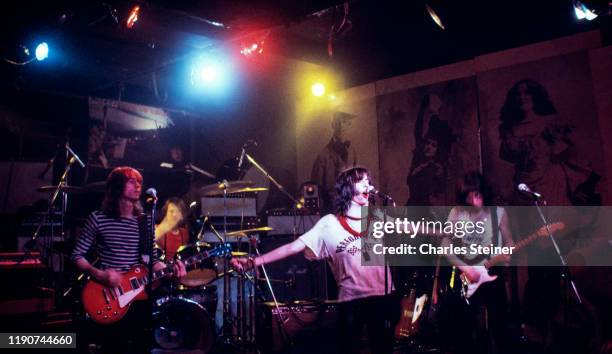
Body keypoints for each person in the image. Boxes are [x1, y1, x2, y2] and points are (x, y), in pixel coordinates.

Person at [232, 166, 396, 354]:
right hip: (352, 300)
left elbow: (412, 227)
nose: (368, 184)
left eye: (369, 180)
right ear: (348, 188)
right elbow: (292, 247)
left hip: (383, 298)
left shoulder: (377, 217)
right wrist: (255, 261)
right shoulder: (329, 223)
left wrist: (438, 233)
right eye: (361, 180)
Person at [71, 166, 186, 354]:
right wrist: (99, 274)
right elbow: (77, 256)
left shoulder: (144, 221)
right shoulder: (98, 218)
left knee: (140, 346)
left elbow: (152, 260)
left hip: (139, 295)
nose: (138, 185)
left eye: (139, 182)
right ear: (117, 187)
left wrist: (169, 270)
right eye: (131, 181)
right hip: (108, 294)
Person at [439, 172, 514, 354]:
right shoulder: (457, 212)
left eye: (477, 195)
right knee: (464, 327)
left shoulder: (498, 213)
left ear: (484, 193)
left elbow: (509, 242)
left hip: (493, 270)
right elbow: (444, 246)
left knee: (500, 324)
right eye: (468, 197)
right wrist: (465, 268)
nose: (473, 201)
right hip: (467, 273)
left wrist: (508, 252)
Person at [499, 78, 600, 206]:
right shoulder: (510, 128)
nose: (522, 97)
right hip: (523, 183)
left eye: (526, 93)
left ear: (535, 96)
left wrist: (550, 150)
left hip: (550, 180)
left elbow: (567, 151)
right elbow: (505, 156)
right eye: (518, 94)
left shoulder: (550, 122)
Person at [311, 111, 358, 213]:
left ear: (349, 124)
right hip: (331, 208)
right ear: (333, 125)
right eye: (338, 122)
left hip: (350, 206)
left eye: (344, 122)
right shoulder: (323, 155)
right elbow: (316, 186)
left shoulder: (352, 151)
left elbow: (356, 178)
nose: (341, 125)